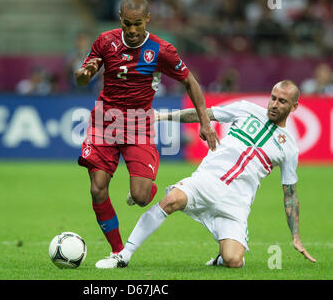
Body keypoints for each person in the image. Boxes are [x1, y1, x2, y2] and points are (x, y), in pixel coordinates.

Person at [96, 80, 317, 269]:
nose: (274, 104)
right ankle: (124, 255)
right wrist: (162, 116)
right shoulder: (246, 109)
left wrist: (295, 236)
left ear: (294, 106)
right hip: (207, 180)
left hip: (236, 203)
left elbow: (290, 194)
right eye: (273, 98)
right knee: (171, 200)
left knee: (234, 260)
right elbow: (203, 114)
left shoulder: (289, 147)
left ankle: (221, 257)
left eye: (282, 101)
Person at [74, 0, 218, 267]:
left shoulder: (161, 50)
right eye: (127, 23)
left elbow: (190, 82)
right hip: (104, 123)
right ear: (120, 19)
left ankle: (140, 192)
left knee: (141, 197)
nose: (131, 29)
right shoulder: (105, 41)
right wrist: (86, 71)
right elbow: (81, 78)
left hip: (139, 125)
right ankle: (118, 251)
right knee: (97, 189)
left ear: (147, 20)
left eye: (137, 23)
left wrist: (205, 122)